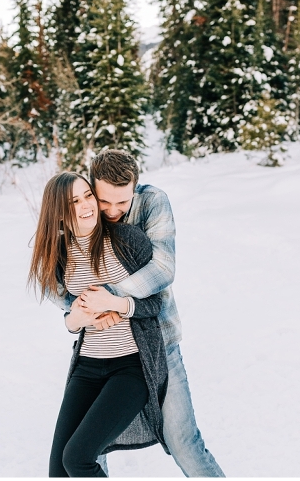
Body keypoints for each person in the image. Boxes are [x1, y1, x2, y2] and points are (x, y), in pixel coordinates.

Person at [50, 150, 226, 477]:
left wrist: (111, 300)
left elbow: (162, 269)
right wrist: (81, 313)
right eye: (104, 202)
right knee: (85, 450)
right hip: (100, 350)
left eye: (123, 202)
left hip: (158, 339)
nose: (113, 211)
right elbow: (63, 284)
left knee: (181, 438)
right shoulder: (83, 210)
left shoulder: (153, 202)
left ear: (136, 187)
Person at [28, 172, 169, 477]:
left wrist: (118, 304)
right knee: (59, 470)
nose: (85, 205)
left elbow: (156, 303)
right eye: (73, 201)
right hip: (88, 368)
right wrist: (74, 321)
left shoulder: (126, 240)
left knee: (77, 458)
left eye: (87, 196)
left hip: (131, 367)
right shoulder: (60, 255)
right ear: (59, 211)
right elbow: (71, 316)